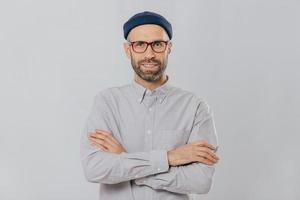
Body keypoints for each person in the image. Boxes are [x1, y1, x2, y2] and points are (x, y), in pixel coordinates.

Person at [80, 11, 220, 200]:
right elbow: (94, 169)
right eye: (139, 45)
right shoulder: (107, 102)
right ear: (127, 49)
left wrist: (126, 160)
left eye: (157, 44)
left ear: (168, 48)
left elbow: (201, 182)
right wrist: (169, 158)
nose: (149, 54)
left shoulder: (195, 107)